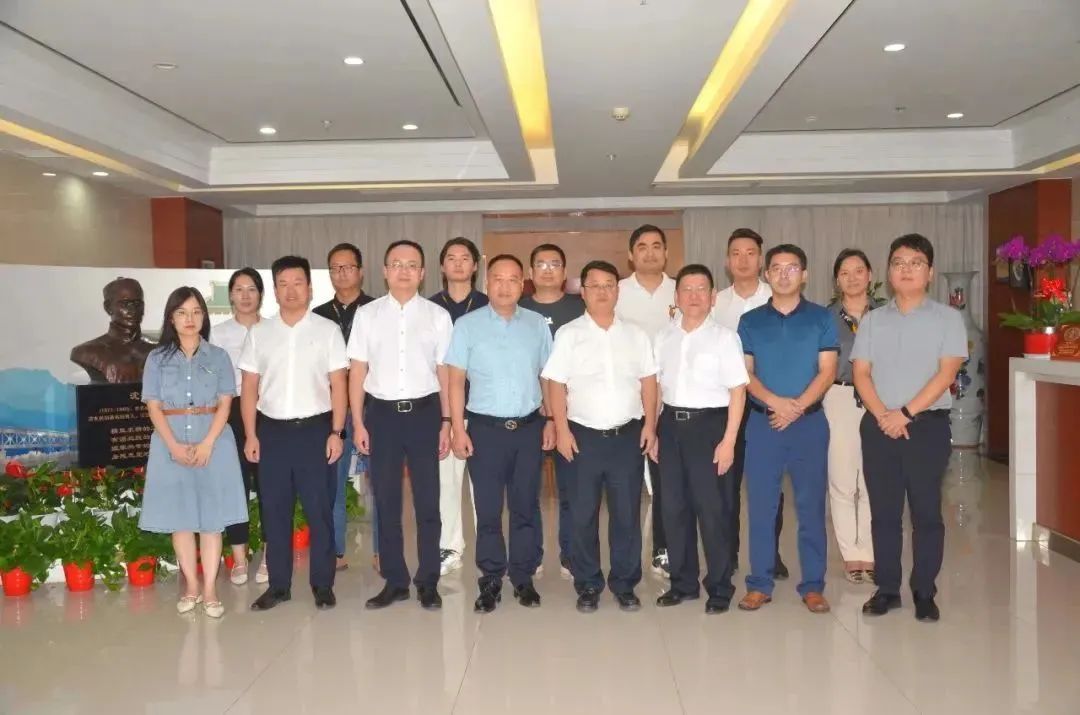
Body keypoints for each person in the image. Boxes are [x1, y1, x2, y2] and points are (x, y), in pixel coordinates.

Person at [853, 234, 966, 622]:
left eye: (915, 263)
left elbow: (946, 373)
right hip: (879, 426)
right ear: (889, 271)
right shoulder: (872, 320)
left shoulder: (948, 319)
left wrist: (904, 413)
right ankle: (887, 589)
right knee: (883, 512)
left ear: (930, 272)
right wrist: (884, 415)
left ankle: (924, 590)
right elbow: (861, 373)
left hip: (926, 428)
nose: (906, 269)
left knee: (926, 512)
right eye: (898, 263)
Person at [543, 260, 658, 613]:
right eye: (595, 285)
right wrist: (561, 429)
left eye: (609, 285)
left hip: (627, 436)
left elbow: (649, 383)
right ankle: (588, 584)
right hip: (582, 436)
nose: (603, 292)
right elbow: (555, 384)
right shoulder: (569, 334)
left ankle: (625, 584)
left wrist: (650, 426)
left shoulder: (636, 335)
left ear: (617, 291)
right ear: (583, 292)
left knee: (626, 513)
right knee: (582, 514)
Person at [446, 254, 554, 612]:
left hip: (528, 428)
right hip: (485, 430)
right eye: (498, 279)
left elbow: (547, 376)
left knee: (526, 506)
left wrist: (552, 419)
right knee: (488, 508)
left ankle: (523, 577)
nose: (505, 287)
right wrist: (458, 427)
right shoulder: (467, 326)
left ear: (522, 283)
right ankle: (491, 577)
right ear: (487, 283)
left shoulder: (537, 325)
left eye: (512, 280)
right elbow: (455, 381)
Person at [239, 256, 348, 612]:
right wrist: (251, 435)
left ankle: (323, 584)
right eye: (283, 284)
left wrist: (337, 432)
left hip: (316, 431)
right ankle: (279, 586)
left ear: (310, 288)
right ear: (274, 290)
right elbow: (249, 387)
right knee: (274, 511)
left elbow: (339, 385)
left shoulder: (327, 331)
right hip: (271, 433)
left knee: (319, 511)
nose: (290, 291)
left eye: (297, 283)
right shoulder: (260, 333)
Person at [350, 240, 453, 611]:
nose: (404, 271)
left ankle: (428, 581)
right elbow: (357, 371)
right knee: (386, 501)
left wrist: (446, 421)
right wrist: (358, 422)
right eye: (396, 264)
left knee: (428, 502)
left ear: (423, 273)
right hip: (382, 417)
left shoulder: (438, 316)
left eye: (412, 265)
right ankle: (395, 581)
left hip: (426, 414)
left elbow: (444, 371)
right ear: (384, 271)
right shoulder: (367, 315)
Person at [736, 244, 838, 615]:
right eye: (776, 268)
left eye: (791, 268)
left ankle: (813, 586)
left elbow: (827, 371)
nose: (783, 274)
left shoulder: (821, 318)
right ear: (766, 274)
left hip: (808, 426)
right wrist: (777, 403)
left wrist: (796, 408)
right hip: (763, 425)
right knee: (761, 507)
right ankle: (759, 585)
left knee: (811, 508)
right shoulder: (750, 321)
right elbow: (745, 373)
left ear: (804, 274)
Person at [139, 287, 247, 619]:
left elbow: (226, 402)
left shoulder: (219, 356)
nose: (190, 319)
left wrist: (208, 443)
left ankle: (211, 589)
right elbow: (153, 406)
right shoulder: (157, 359)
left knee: (212, 521)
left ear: (204, 317)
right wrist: (173, 445)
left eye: (197, 311)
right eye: (182, 312)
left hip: (213, 442)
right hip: (169, 442)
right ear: (171, 318)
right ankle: (191, 585)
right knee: (181, 520)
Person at [653, 265, 747, 615]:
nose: (693, 296)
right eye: (687, 289)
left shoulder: (725, 338)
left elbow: (738, 391)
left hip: (710, 428)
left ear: (712, 296)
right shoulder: (663, 337)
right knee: (673, 509)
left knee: (713, 510)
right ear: (676, 297)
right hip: (670, 427)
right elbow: (657, 389)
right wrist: (654, 430)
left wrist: (729, 441)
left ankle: (720, 586)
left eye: (701, 289)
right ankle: (683, 583)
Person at [712, 228, 787, 578]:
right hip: (725, 408)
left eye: (750, 253)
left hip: (765, 405)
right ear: (727, 262)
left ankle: (771, 554)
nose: (743, 260)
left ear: (761, 260)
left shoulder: (778, 298)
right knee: (725, 486)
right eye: (736, 253)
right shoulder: (715, 303)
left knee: (769, 487)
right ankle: (727, 554)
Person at [519, 243, 585, 577]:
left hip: (575, 413)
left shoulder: (581, 307)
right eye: (541, 264)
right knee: (526, 490)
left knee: (573, 489)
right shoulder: (518, 308)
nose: (547, 270)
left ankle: (571, 554)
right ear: (530, 273)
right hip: (529, 412)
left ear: (564, 272)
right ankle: (530, 555)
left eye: (555, 264)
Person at [614, 224, 674, 576]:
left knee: (668, 484)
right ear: (630, 255)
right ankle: (626, 558)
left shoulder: (680, 290)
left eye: (656, 246)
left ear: (666, 252)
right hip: (627, 405)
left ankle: (664, 548)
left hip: (672, 403)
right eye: (642, 246)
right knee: (626, 486)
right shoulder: (617, 291)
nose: (650, 253)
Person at [313, 242, 375, 573]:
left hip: (372, 409)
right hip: (332, 412)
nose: (342, 273)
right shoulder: (317, 316)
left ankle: (381, 552)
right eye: (335, 268)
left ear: (360, 272)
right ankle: (336, 551)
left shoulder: (378, 311)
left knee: (380, 485)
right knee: (332, 486)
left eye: (348, 267)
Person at [429, 237, 489, 576]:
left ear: (475, 265)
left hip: (482, 408)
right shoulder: (429, 308)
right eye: (450, 258)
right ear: (441, 265)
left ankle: (489, 546)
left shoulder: (489, 304)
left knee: (484, 483)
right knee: (446, 482)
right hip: (442, 410)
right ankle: (449, 546)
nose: (458, 263)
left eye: (465, 258)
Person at [825, 249, 882, 584]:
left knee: (873, 477)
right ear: (837, 280)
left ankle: (870, 552)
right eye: (845, 273)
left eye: (859, 271)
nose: (852, 278)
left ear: (870, 275)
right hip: (840, 396)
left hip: (880, 398)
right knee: (842, 478)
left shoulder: (888, 315)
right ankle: (851, 555)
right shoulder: (825, 318)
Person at [210, 268, 265, 586]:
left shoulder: (273, 330)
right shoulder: (218, 335)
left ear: (261, 295)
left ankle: (270, 555)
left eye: (252, 289)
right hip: (231, 414)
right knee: (236, 486)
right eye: (239, 289)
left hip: (267, 412)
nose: (245, 296)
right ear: (230, 295)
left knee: (270, 485)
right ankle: (240, 558)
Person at [70, 277, 156, 383]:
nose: (132, 309)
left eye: (137, 303)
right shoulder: (87, 352)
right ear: (108, 307)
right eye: (125, 303)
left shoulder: (158, 352)